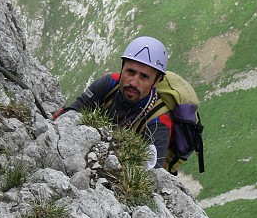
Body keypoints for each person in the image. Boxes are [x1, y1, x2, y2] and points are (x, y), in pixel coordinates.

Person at [53, 36, 172, 168]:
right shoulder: (109, 84)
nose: (133, 82)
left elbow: (153, 173)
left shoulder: (158, 122)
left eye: (144, 77)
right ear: (122, 68)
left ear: (156, 81)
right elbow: (74, 111)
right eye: (130, 72)